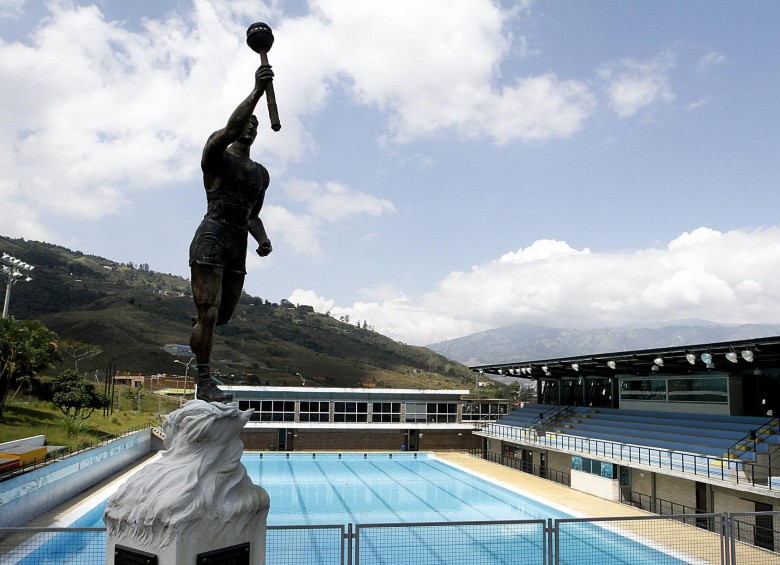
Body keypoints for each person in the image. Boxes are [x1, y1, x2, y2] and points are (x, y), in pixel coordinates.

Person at [188, 64, 275, 403]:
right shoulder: (216, 155)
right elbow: (232, 126)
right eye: (245, 122)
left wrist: (263, 239)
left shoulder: (260, 174)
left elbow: (253, 214)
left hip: (238, 241)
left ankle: (199, 335)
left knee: (221, 316)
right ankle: (204, 381)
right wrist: (256, 93)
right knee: (208, 312)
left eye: (255, 124)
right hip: (213, 235)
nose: (249, 127)